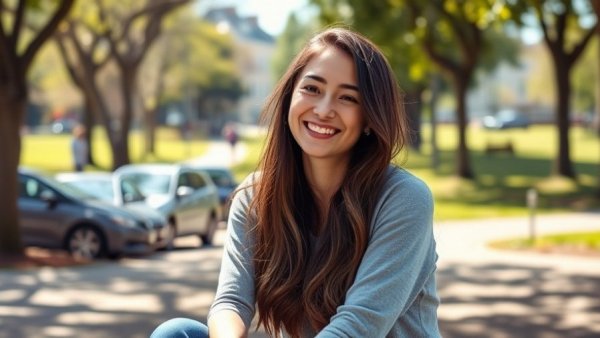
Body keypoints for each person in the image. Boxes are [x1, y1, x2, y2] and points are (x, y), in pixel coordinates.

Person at [151, 27, 440, 338]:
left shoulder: (404, 198)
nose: (324, 109)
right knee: (177, 333)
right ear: (290, 95)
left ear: (369, 118)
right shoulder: (255, 197)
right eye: (312, 89)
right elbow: (231, 302)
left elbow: (358, 327)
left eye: (347, 97)